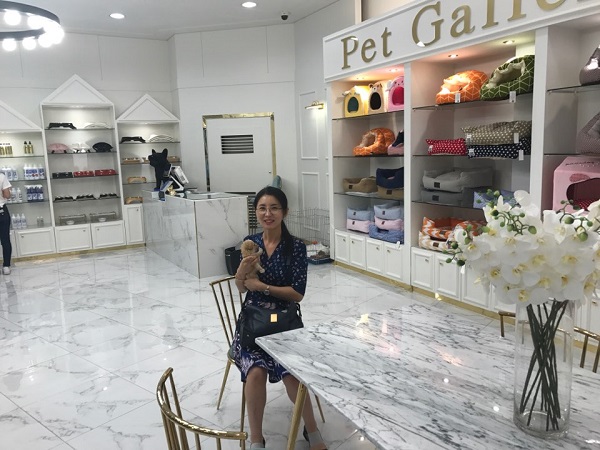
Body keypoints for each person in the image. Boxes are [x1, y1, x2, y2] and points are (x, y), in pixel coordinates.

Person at [233, 186, 327, 450]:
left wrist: (262, 287)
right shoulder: (250, 243)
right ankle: (256, 439)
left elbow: (297, 294)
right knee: (255, 372)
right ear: (256, 212)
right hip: (254, 324)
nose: (268, 214)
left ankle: (312, 430)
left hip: (285, 324)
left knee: (292, 375)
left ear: (285, 211)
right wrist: (241, 272)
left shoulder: (295, 247)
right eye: (262, 208)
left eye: (274, 208)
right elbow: (242, 287)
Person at [0, 170, 12, 275]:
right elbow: (7, 195)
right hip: (2, 212)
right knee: (5, 240)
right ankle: (6, 266)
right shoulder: (1, 176)